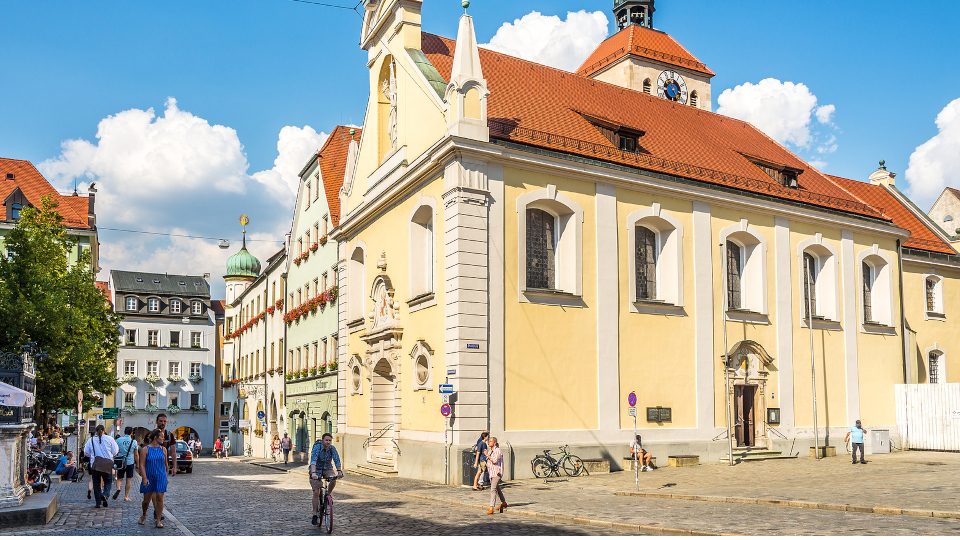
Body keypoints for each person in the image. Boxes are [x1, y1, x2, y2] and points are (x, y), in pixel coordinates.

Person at [308, 433, 343, 527]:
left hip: (327, 468)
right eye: (326, 440)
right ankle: (315, 514)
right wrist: (314, 473)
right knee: (316, 491)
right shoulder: (317, 448)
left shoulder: (332, 448)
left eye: (329, 440)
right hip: (316, 470)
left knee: (333, 478)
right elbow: (313, 461)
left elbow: (337, 460)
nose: (328, 442)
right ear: (323, 440)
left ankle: (328, 495)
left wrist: (339, 471)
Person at [137, 429, 169, 528]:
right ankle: (144, 514)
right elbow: (142, 465)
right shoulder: (145, 449)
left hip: (160, 476)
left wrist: (166, 476)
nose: (163, 438)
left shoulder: (163, 449)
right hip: (149, 476)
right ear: (155, 437)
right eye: (161, 436)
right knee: (146, 500)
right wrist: (145, 478)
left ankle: (158, 520)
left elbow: (166, 465)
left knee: (160, 498)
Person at [83, 425, 119, 509]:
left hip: (95, 465)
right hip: (107, 465)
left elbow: (86, 452)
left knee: (96, 483)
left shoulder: (91, 440)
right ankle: (105, 494)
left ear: (96, 431)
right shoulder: (110, 439)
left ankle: (98, 502)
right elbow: (115, 451)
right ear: (103, 430)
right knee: (108, 482)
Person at [113, 426, 140, 501]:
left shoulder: (118, 440)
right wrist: (137, 464)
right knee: (128, 479)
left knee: (119, 478)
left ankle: (118, 488)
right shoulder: (133, 442)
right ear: (131, 433)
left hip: (121, 462)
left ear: (124, 432)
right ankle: (126, 496)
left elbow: (115, 451)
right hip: (129, 462)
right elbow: (136, 454)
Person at [485, 436, 507, 514]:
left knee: (493, 489)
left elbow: (494, 460)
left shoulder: (498, 450)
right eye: (489, 441)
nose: (489, 442)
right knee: (497, 489)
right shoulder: (490, 451)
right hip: (491, 473)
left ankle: (491, 507)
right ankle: (504, 503)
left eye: (490, 441)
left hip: (497, 473)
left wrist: (487, 455)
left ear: (494, 443)